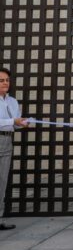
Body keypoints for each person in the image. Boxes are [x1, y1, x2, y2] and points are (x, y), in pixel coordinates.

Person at [0, 67, 28, 230]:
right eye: (1, 80)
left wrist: (22, 123)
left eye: (7, 80)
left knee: (2, 181)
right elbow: (10, 121)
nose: (5, 83)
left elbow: (15, 123)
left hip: (6, 140)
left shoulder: (12, 101)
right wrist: (13, 122)